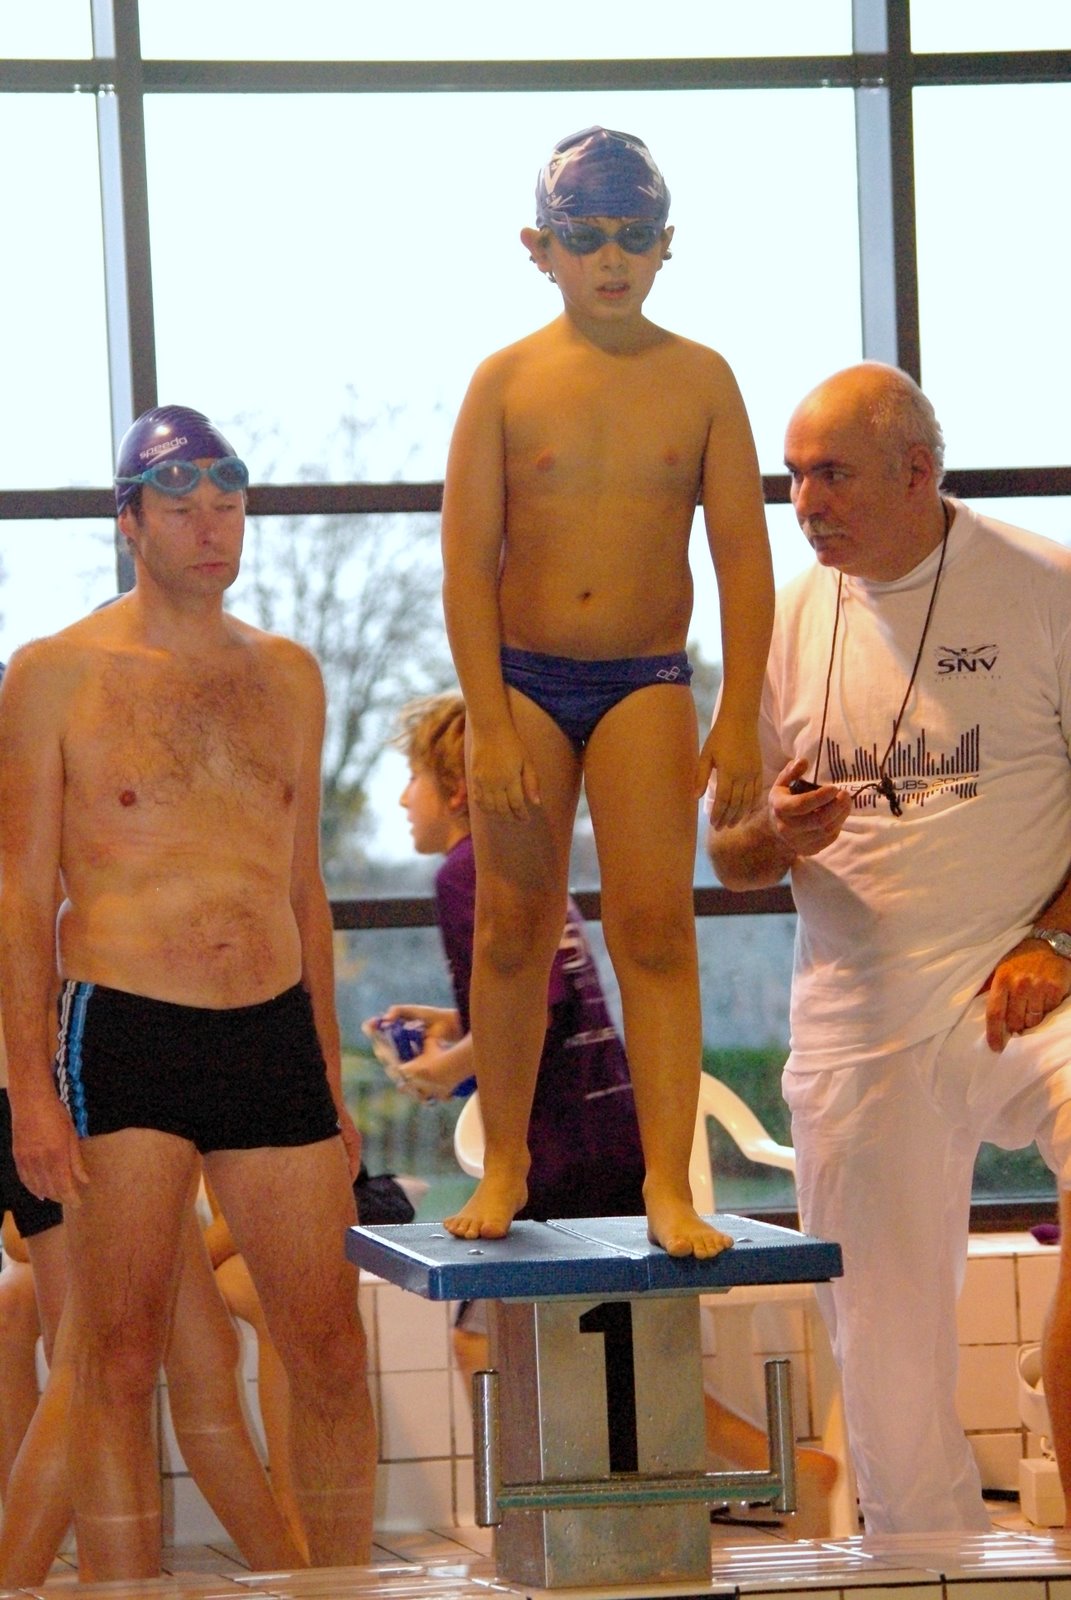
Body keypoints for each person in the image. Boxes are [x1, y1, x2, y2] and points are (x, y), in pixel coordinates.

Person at [0, 405, 376, 1580]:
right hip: (124, 1030)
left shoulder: (289, 675)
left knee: (328, 1343)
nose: (213, 526)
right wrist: (29, 1092)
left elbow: (306, 889)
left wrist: (329, 1070)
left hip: (271, 1033)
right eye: (182, 506)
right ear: (130, 522)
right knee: (113, 1356)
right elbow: (20, 895)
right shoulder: (56, 673)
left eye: (229, 503)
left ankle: (338, 1587)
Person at [707, 359, 1071, 1535]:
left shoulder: (1043, 587)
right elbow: (731, 851)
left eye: (834, 475)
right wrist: (777, 830)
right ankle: (928, 1564)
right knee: (886, 1370)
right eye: (794, 476)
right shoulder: (784, 619)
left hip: (1026, 986)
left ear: (920, 471)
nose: (806, 503)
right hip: (858, 1018)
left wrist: (1057, 938)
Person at [375, 693, 838, 1537]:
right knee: (623, 1334)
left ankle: (536, 1514)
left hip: (561, 1145)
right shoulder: (530, 864)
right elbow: (538, 996)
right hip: (608, 1129)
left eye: (412, 780)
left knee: (489, 1338)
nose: (403, 800)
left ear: (457, 788)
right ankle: (776, 1471)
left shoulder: (465, 872)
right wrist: (454, 1029)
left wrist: (438, 1070)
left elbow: (539, 1004)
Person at [440, 125, 775, 1257]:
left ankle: (667, 1184)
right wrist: (487, 721)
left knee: (657, 930)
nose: (612, 258)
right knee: (510, 932)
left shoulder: (702, 380)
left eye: (634, 235)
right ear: (539, 248)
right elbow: (465, 567)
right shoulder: (504, 381)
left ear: (668, 243)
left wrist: (737, 715)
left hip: (645, 680)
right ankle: (508, 1163)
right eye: (586, 237)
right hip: (524, 680)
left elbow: (741, 558)